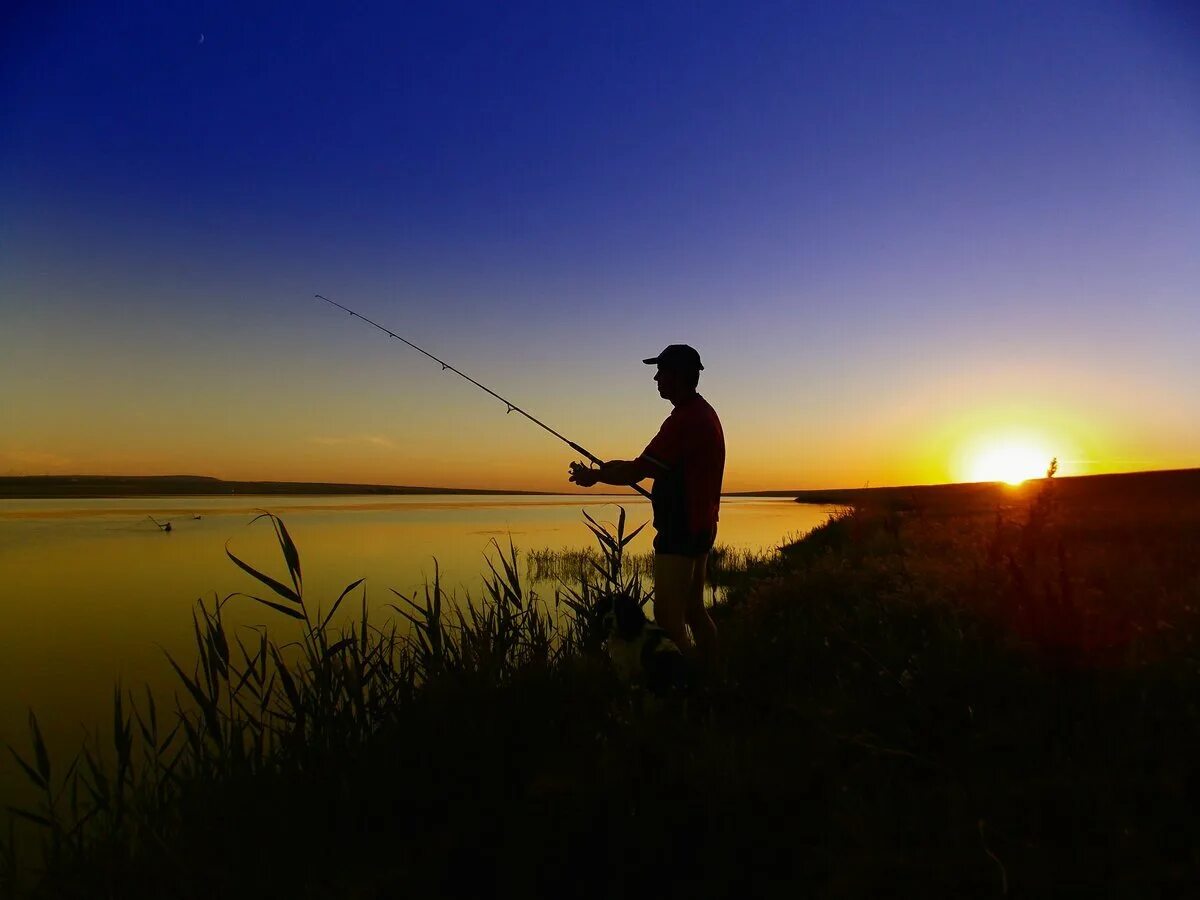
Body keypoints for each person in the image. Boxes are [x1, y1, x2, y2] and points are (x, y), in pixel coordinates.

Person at [568, 344, 725, 668]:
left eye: (661, 372)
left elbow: (638, 471)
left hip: (680, 530)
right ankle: (713, 672)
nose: (655, 378)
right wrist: (610, 467)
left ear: (678, 376)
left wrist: (595, 476)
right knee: (694, 609)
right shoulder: (702, 413)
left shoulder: (683, 421)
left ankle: (685, 688)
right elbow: (649, 464)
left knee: (669, 620)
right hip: (702, 526)